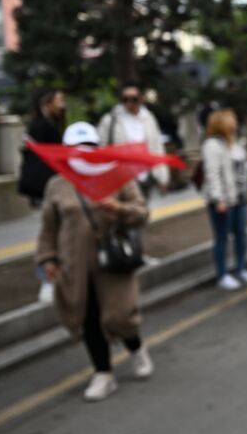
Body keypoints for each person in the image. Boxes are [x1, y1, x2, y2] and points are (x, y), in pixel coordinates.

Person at [35, 123, 153, 402]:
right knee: (88, 319)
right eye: (76, 149)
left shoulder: (119, 175)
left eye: (88, 147)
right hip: (74, 264)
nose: (83, 153)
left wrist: (119, 208)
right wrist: (48, 259)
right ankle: (103, 373)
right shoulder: (56, 184)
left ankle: (137, 349)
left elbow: (142, 213)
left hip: (111, 260)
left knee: (120, 314)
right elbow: (48, 228)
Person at [19, 87, 67, 303]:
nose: (63, 104)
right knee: (50, 233)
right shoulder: (43, 127)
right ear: (47, 103)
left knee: (54, 231)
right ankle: (47, 279)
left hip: (49, 188)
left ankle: (53, 277)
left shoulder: (44, 126)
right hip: (48, 188)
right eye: (59, 100)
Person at [201, 108, 247, 291]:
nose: (236, 123)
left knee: (241, 235)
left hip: (239, 198)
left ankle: (241, 268)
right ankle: (223, 274)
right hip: (223, 201)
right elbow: (213, 174)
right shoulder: (212, 145)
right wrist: (218, 199)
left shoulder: (235, 143)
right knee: (222, 238)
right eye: (232, 120)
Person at [97, 84, 170, 199]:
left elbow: (157, 148)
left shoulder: (149, 118)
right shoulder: (111, 120)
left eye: (133, 99)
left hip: (146, 174)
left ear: (141, 99)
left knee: (144, 210)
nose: (129, 103)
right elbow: (101, 148)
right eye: (125, 99)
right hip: (123, 177)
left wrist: (163, 177)